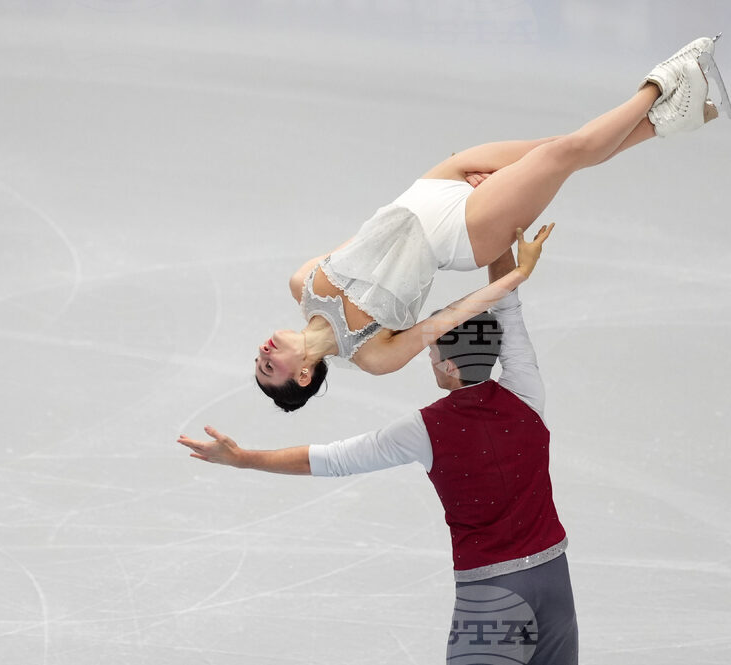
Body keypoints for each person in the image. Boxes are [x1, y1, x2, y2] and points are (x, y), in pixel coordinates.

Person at [255, 36, 730, 411]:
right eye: (267, 368)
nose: (263, 355)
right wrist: (514, 274)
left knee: (559, 146)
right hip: (463, 232)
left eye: (258, 360)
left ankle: (680, 119)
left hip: (431, 187)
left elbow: (372, 234)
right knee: (562, 155)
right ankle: (665, 81)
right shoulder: (371, 356)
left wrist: (464, 185)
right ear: (301, 376)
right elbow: (451, 315)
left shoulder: (303, 283)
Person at [180, 247, 579, 663]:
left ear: (449, 367)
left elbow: (331, 459)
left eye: (433, 351)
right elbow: (508, 309)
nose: (428, 355)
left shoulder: (427, 429)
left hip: (494, 596)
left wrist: (244, 457)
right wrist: (503, 239)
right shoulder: (526, 392)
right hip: (555, 581)